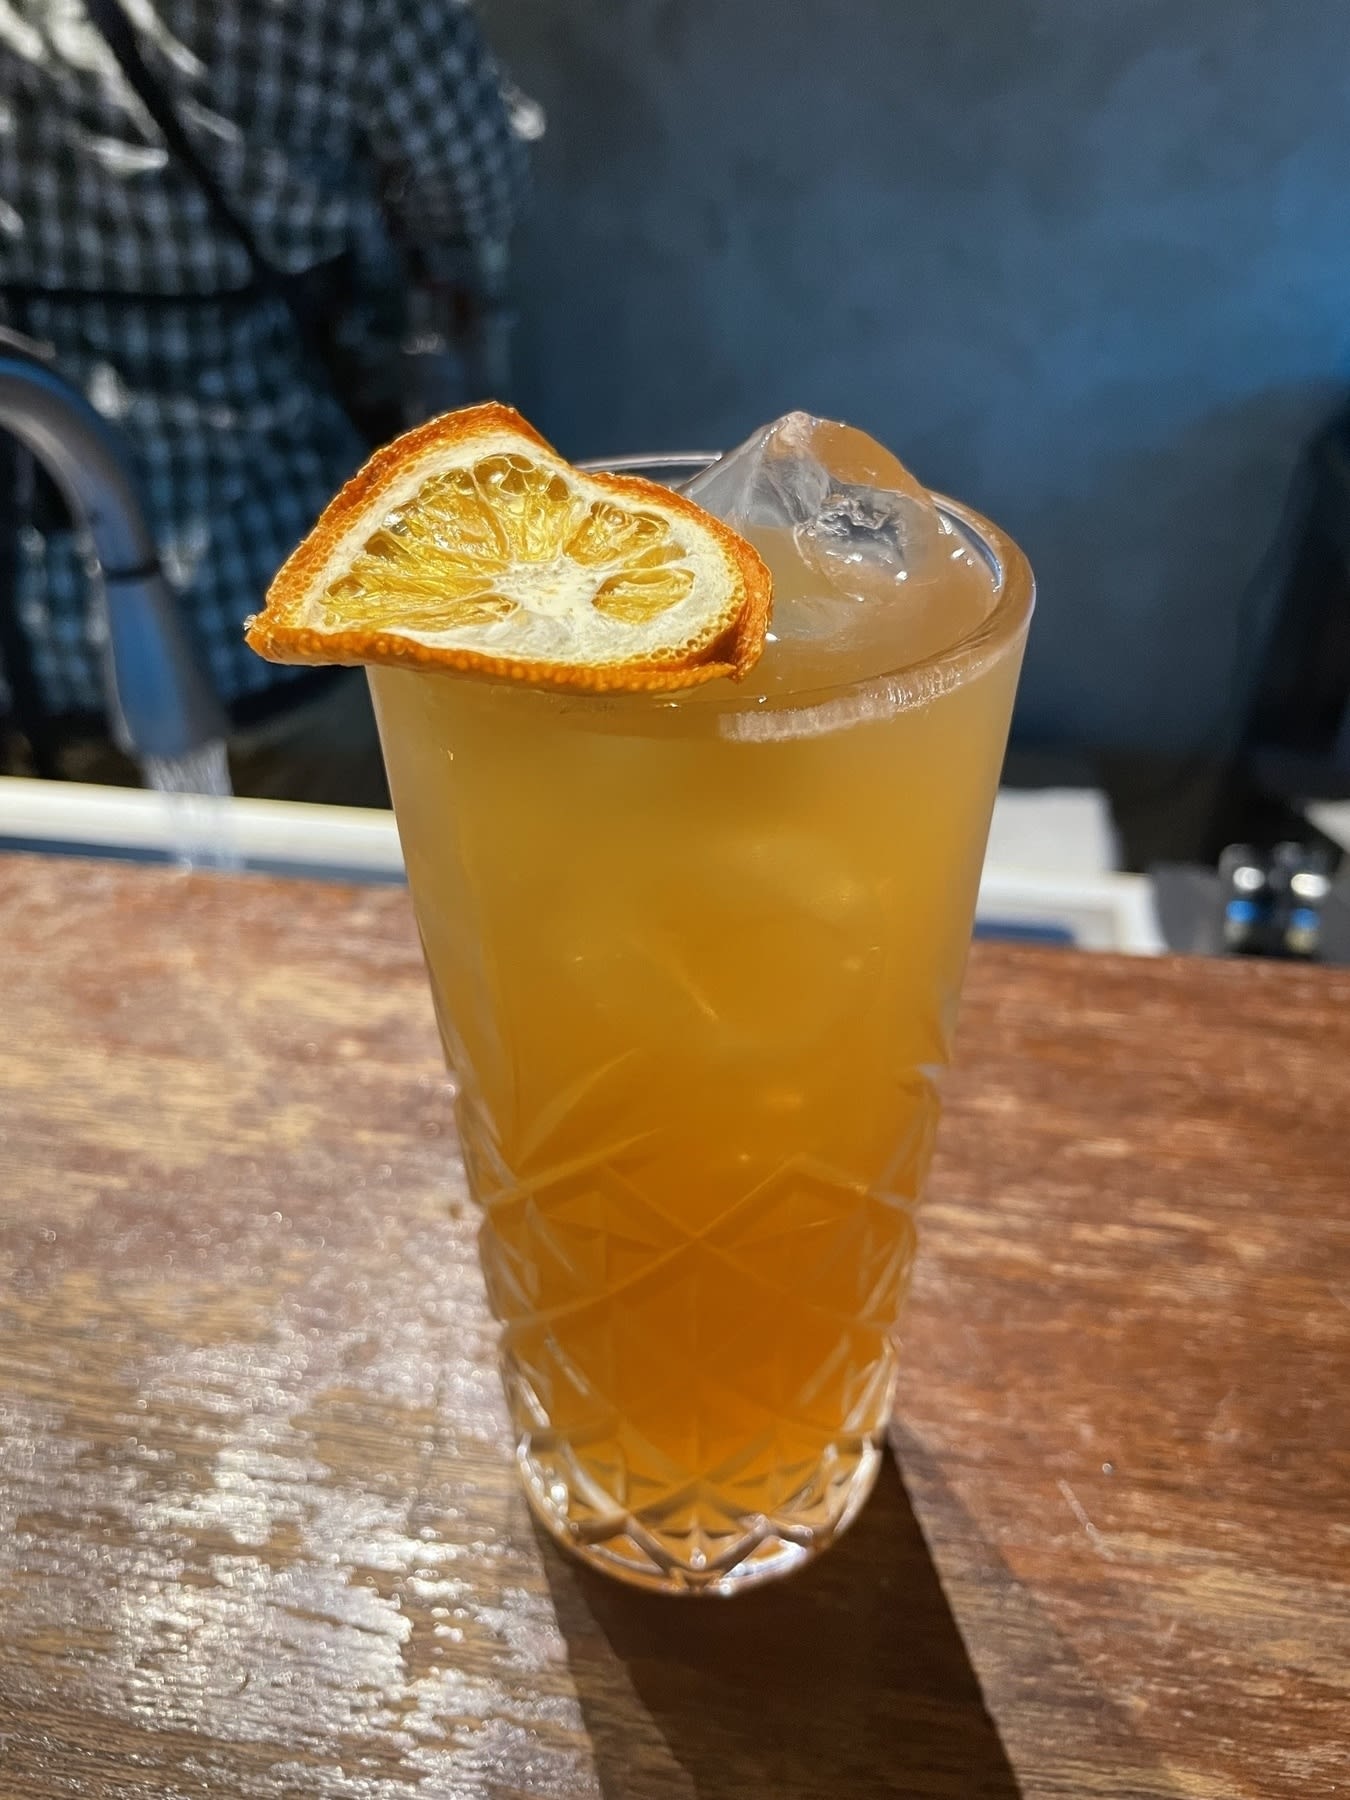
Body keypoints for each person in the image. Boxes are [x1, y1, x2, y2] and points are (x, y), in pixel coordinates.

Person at [0, 0, 534, 804]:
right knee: (325, 910)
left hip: (31, 647)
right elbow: (478, 195)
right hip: (284, 603)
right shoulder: (353, 15)